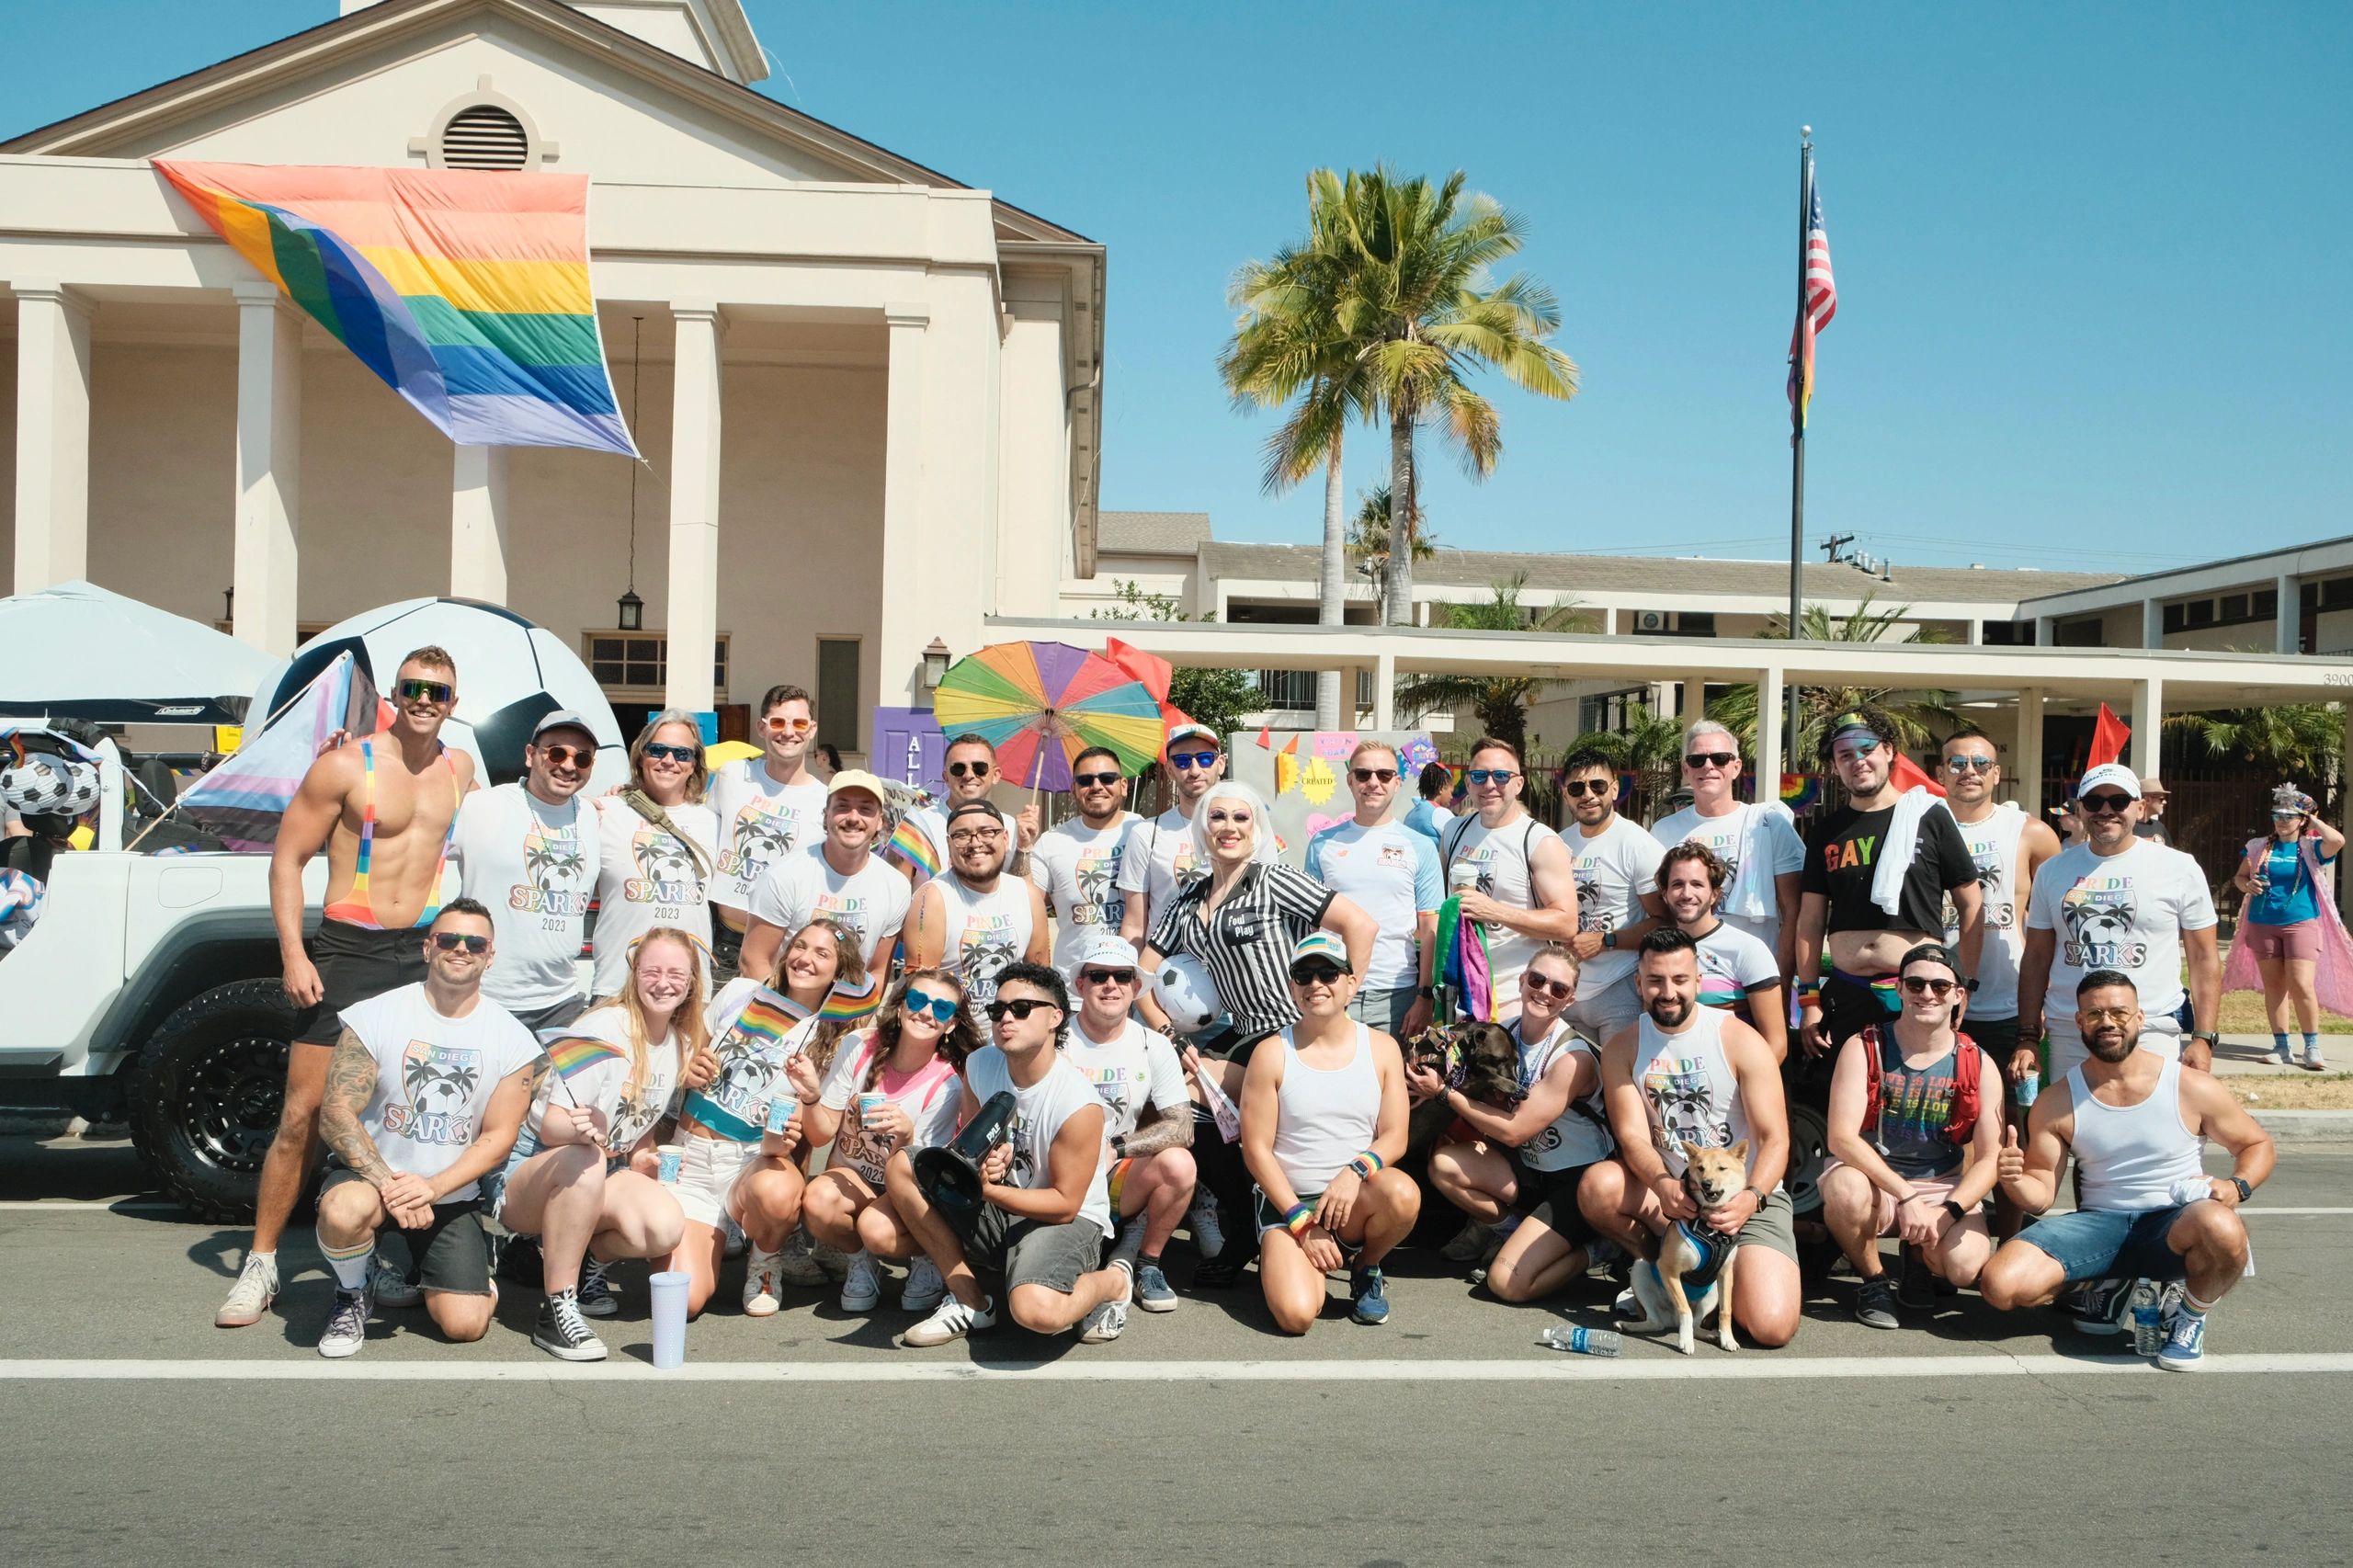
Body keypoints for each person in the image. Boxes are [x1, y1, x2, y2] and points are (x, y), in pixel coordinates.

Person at [219, 646, 477, 1330]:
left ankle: (380, 1249)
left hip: (418, 953)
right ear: (395, 693)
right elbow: (286, 861)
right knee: (302, 1113)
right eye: (415, 687)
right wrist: (294, 953)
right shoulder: (345, 764)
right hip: (348, 945)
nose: (426, 699)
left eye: (440, 691)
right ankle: (262, 1261)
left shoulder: (461, 769)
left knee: (394, 1114)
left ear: (455, 701)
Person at [1136, 779, 1375, 1286]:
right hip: (1242, 1033)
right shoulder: (1190, 896)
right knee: (1183, 1106)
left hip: (1290, 1031)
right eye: (1218, 817)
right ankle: (1246, 1225)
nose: (1229, 827)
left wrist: (1342, 995)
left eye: (1241, 818)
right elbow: (1142, 978)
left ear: (1256, 828)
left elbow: (1360, 924)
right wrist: (1170, 1035)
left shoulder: (1274, 880)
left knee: (1194, 1099)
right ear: (1203, 827)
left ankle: (1267, 1229)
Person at [1979, 971, 2276, 1369]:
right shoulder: (2057, 1100)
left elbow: (2256, 1144)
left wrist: (2237, 1186)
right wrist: (2013, 1179)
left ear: (2140, 1018)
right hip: (2100, 1227)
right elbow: (2042, 1193)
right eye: (2096, 1013)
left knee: (2221, 1226)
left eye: (2120, 1012)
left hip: (2174, 1223)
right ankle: (2110, 1280)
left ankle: (2189, 1314)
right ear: (2079, 1022)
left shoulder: (2189, 1085)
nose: (2108, 1022)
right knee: (2001, 1286)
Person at [308, 899, 539, 1358]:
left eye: (475, 943)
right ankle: (352, 1293)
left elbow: (498, 1139)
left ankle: (464, 1272)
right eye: (448, 939)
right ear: (427, 948)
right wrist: (390, 1186)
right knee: (342, 1211)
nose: (461, 949)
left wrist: (431, 1188)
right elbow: (335, 1113)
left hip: (448, 1194)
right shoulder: (375, 1014)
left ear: (490, 955)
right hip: (374, 1180)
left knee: (465, 1327)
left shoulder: (513, 1039)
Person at [1577, 928, 1802, 1347]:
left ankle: (1731, 1268)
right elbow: (1632, 1137)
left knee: (1771, 1327)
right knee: (1599, 1187)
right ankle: (1659, 1270)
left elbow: (1775, 1140)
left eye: (1680, 980)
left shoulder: (1739, 1038)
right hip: (1675, 1200)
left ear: (1698, 981)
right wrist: (1663, 1185)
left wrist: (1751, 1198)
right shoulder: (1622, 1047)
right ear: (1638, 983)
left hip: (1744, 1197)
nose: (1668, 992)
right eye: (1656, 980)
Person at [889, 964, 1134, 1346]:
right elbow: (970, 1148)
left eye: (1021, 1009)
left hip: (1062, 1221)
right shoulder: (980, 1064)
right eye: (997, 1009)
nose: (1005, 1017)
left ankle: (1115, 1281)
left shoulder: (1078, 1104)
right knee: (905, 1164)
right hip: (1005, 1203)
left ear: (1055, 1017)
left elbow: (1065, 1205)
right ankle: (970, 1300)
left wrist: (987, 1190)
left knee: (1036, 1312)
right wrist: (990, 1162)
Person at [483, 928, 698, 1359]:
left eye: (676, 973)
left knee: (664, 1227)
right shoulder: (603, 1029)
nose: (663, 982)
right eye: (651, 970)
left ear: (692, 983)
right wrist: (587, 1130)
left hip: (600, 1168)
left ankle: (589, 1263)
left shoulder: (678, 1043)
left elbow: (637, 1130)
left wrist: (644, 1157)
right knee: (584, 1159)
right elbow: (551, 1129)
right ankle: (556, 1311)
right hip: (533, 1170)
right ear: (634, 974)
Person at [671, 917, 868, 1318]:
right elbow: (687, 1053)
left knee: (777, 1194)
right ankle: (711, 1237)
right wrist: (688, 1068)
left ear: (838, 973)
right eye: (800, 945)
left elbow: (819, 1131)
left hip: (750, 1162)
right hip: (691, 1158)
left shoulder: (835, 1040)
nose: (805, 958)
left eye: (821, 953)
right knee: (683, 1303)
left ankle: (763, 1264)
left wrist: (812, 1096)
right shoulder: (744, 993)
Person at [1238, 932, 1420, 1333]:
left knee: (1404, 1194)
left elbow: (1395, 1136)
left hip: (1352, 1197)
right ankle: (1298, 1259)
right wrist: (1302, 1223)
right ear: (1292, 987)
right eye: (1303, 975)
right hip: (1289, 1207)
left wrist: (1353, 1171)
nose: (1315, 984)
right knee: (1297, 1317)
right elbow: (1255, 1150)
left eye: (1328, 974)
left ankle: (1365, 1265)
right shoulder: (1270, 1053)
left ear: (1351, 983)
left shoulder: (1383, 1047)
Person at [1415, 944, 1616, 1301]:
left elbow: (1514, 1131)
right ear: (1522, 981)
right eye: (1537, 980)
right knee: (1445, 1165)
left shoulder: (1572, 1058)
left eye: (1558, 989)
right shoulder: (1502, 1031)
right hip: (1527, 1170)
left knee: (1506, 1283)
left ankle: (1600, 1250)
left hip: (1574, 1182)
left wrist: (1444, 1093)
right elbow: (1455, 1063)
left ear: (1569, 1000)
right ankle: (1512, 1231)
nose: (1544, 992)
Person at [1794, 710, 1984, 1080]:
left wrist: (1966, 985)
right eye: (1845, 755)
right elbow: (1811, 920)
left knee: (1912, 1100)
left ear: (1889, 751)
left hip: (1917, 992)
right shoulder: (1827, 830)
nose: (1858, 761)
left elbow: (1971, 903)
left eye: (1866, 749)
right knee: (1841, 1102)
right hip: (1846, 993)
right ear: (1834, 766)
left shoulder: (1928, 816)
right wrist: (1809, 999)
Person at [1821, 942, 2003, 1328]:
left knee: (1965, 1267)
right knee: (1844, 1190)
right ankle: (1874, 1280)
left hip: (1942, 1183)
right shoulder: (1864, 1046)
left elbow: (1990, 1159)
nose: (1926, 995)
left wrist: (1947, 1211)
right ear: (1899, 989)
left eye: (1939, 987)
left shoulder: (1978, 1061)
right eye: (1916, 984)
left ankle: (1919, 1259)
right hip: (1876, 1182)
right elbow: (1841, 1138)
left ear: (1958, 995)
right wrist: (1905, 1195)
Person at [2018, 763, 2221, 1082]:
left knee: (2149, 1128)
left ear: (2139, 808)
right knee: (2072, 1127)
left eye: (2119, 801)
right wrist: (2028, 1034)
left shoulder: (2179, 867)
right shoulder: (2052, 871)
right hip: (2073, 1029)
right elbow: (2036, 957)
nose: (2106, 810)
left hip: (2150, 1027)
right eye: (2095, 802)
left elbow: (2204, 958)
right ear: (2081, 809)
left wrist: (2204, 1037)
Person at [800, 968, 980, 1316]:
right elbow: (822, 1133)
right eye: (917, 1000)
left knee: (877, 1230)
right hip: (855, 1178)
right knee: (818, 1202)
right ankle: (860, 1260)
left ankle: (928, 1254)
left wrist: (907, 1138)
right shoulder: (859, 1046)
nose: (926, 1012)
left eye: (941, 1009)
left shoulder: (947, 1085)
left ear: (952, 1024)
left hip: (908, 1193)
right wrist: (810, 1097)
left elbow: (921, 1179)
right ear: (900, 1006)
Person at [1937, 729, 2062, 1173]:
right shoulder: (1918, 827)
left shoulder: (2032, 833)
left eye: (1979, 763)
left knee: (2013, 1128)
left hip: (2009, 1005)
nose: (1968, 772)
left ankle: (2012, 1232)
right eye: (1956, 763)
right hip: (1938, 1002)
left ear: (1997, 774)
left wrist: (2044, 998)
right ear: (1940, 773)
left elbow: (2055, 925)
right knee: (1945, 1124)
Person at [1061, 932, 1197, 1314]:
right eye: (1099, 975)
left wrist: (1116, 1148)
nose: (1110, 985)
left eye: (1121, 976)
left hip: (1116, 1171)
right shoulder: (1055, 1039)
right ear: (1080, 983)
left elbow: (1182, 1129)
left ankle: (1147, 1262)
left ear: (1136, 987)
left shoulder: (1153, 1044)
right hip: (1057, 1169)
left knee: (1180, 1165)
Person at [450, 710, 601, 1030]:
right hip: (482, 997)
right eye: (557, 752)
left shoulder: (595, 816)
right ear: (531, 755)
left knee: (553, 1084)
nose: (568, 765)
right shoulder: (481, 807)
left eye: (583, 758)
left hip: (561, 1003)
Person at [1437, 737, 1588, 1027]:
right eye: (1480, 776)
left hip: (1514, 997)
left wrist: (1495, 911)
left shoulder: (1540, 841)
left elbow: (1567, 924)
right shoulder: (1453, 831)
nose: (1490, 785)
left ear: (1518, 784)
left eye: (1501, 776)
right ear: (1468, 783)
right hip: (1460, 992)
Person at [1305, 740, 1442, 1038]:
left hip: (1398, 996)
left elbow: (1431, 925)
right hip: (1332, 988)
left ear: (1397, 782)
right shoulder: (1321, 844)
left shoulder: (1420, 846)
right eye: (1364, 774)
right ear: (1350, 780)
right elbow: (1309, 924)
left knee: (1395, 1084)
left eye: (1383, 775)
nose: (1373, 783)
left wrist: (1425, 996)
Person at [1650, 720, 1806, 978]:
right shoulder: (1663, 830)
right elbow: (1659, 910)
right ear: (1686, 769)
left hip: (1754, 977)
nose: (1708, 766)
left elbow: (1793, 911)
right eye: (1697, 760)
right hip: (1685, 978)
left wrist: (1782, 978)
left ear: (1736, 767)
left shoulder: (1768, 824)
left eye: (1720, 758)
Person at [590, 710, 720, 1003]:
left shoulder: (713, 822)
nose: (669, 761)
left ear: (694, 764)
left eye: (682, 754)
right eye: (658, 750)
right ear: (640, 756)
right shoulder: (605, 811)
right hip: (617, 989)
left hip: (688, 995)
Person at [1540, 745, 1666, 1041]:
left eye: (1597, 785)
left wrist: (1606, 941)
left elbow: (1664, 921)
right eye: (1577, 787)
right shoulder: (1557, 843)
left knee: (1617, 1082)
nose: (1588, 795)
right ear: (1565, 794)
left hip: (1618, 989)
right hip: (1565, 990)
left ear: (1614, 789)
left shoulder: (1637, 844)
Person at [707, 684, 829, 984]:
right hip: (721, 940)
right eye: (778, 722)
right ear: (761, 727)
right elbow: (690, 819)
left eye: (799, 723)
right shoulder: (732, 775)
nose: (789, 731)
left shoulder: (825, 799)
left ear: (812, 729)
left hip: (785, 948)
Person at [742, 769, 911, 975]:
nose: (853, 818)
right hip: (783, 1002)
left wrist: (858, 1008)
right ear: (825, 816)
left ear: (880, 822)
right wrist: (781, 1008)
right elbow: (754, 960)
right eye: (842, 807)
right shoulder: (783, 876)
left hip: (850, 1006)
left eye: (865, 809)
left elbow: (877, 970)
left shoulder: (896, 886)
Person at [2227, 783, 2346, 1071]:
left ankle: (2312, 1047)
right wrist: (2248, 884)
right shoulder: (2257, 846)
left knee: (2302, 985)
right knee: (2275, 987)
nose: (2281, 820)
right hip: (2262, 923)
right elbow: (2239, 878)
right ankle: (2281, 1046)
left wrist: (2310, 816)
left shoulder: (2310, 847)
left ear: (2300, 820)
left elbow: (2338, 840)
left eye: (2287, 815)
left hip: (2301, 923)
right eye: (2276, 814)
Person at [901, 800, 1051, 1009]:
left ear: (1006, 839)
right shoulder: (933, 898)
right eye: (962, 835)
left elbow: (1041, 980)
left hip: (1008, 1032)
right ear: (949, 845)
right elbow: (921, 991)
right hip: (951, 1033)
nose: (976, 843)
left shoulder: (1027, 895)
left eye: (987, 832)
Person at [1656, 843, 1787, 1061]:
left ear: (1715, 894)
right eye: (1677, 884)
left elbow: (1776, 1044)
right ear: (1664, 894)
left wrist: (1749, 1087)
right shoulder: (1656, 950)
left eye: (1697, 884)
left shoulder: (1747, 949)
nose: (1687, 894)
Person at [1029, 745, 1141, 972]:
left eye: (1107, 778)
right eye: (1086, 780)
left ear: (1124, 785)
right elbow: (1026, 909)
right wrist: (1023, 847)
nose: (1097, 786)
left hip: (1136, 986)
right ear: (1073, 789)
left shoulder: (1147, 832)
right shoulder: (1051, 842)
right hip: (1075, 989)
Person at [1118, 722, 1226, 952]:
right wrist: (1134, 979)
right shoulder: (1147, 833)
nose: (1195, 770)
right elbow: (1135, 924)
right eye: (1183, 761)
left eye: (1205, 759)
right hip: (1166, 971)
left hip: (1230, 971)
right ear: (1169, 770)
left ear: (1221, 764)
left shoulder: (1247, 829)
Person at [895, 733, 1033, 883]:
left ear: (995, 775)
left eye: (979, 768)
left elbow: (1021, 894)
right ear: (946, 777)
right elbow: (899, 892)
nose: (969, 775)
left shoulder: (1011, 827)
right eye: (958, 768)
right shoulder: (919, 825)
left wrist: (1023, 848)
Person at [1404, 759, 1456, 842]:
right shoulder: (1440, 813)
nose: (1451, 797)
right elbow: (1459, 841)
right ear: (1441, 788)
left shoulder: (1410, 814)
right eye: (1451, 792)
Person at [2134, 776, 2175, 846]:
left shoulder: (2159, 826)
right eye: (2161, 799)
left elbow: (2169, 853)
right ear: (2147, 800)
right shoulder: (2128, 827)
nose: (2165, 802)